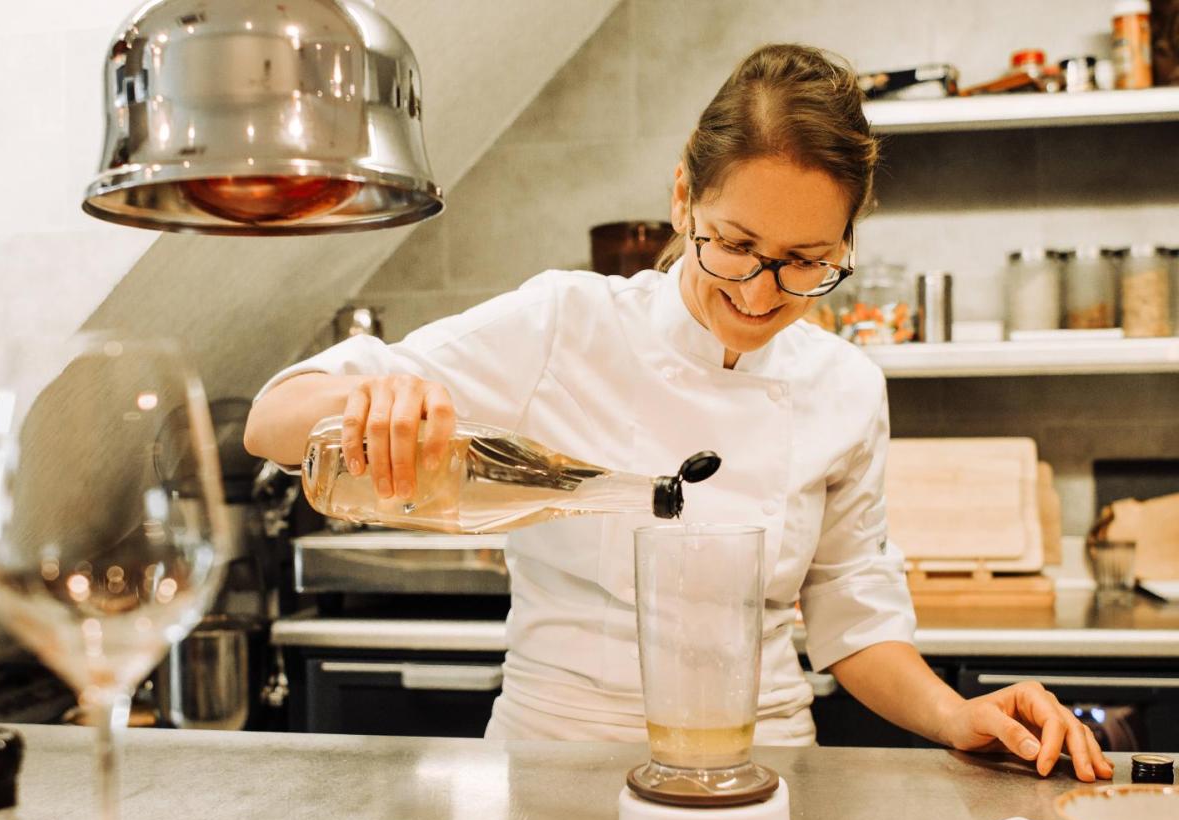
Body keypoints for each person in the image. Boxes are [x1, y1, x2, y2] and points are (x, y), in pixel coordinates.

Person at [244, 43, 1112, 782]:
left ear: (848, 243)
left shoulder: (845, 384)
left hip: (768, 774)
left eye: (806, 261)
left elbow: (853, 615)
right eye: (734, 244)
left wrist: (958, 716)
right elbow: (272, 420)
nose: (760, 291)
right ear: (682, 200)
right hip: (557, 769)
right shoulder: (565, 323)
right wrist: (372, 400)